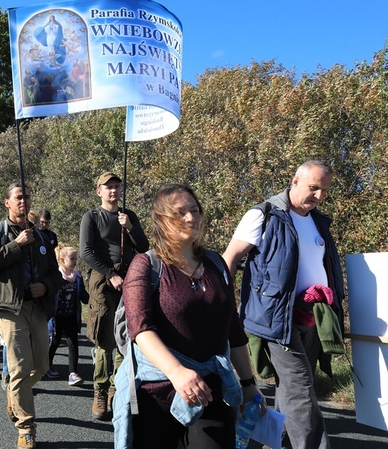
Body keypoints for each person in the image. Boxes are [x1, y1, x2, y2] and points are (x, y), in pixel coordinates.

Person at [115, 184, 263, 448]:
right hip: (158, 395)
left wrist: (248, 383)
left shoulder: (216, 264)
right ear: (161, 220)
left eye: (195, 211)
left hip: (212, 391)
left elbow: (233, 329)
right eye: (180, 212)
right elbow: (140, 329)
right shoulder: (146, 265)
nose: (191, 218)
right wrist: (177, 372)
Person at [223, 160, 343, 449]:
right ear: (295, 180)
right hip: (276, 320)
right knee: (301, 392)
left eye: (324, 190)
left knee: (293, 392)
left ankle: (277, 443)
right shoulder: (264, 214)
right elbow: (231, 257)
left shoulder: (317, 221)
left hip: (313, 317)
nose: (319, 196)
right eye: (314, 188)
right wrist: (222, 304)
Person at [0, 182, 61, 449]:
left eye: (27, 196)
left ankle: (14, 394)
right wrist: (16, 244)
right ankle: (26, 427)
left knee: (42, 366)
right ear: (7, 203)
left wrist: (46, 286)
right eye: (18, 197)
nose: (23, 201)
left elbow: (55, 274)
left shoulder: (41, 236)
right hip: (8, 307)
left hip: (36, 307)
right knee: (19, 367)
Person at [79, 172, 149, 420]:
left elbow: (144, 248)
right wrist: (110, 273)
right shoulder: (92, 217)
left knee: (125, 337)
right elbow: (85, 252)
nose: (114, 191)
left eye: (117, 186)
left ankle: (117, 388)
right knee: (104, 339)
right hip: (103, 279)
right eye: (108, 187)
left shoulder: (127, 216)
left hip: (129, 279)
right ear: (99, 191)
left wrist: (130, 227)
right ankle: (99, 390)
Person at [46, 244, 88, 386]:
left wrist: (95, 299)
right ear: (62, 260)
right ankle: (47, 365)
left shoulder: (77, 276)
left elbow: (83, 296)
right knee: (55, 342)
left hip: (71, 316)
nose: (75, 261)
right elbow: (49, 296)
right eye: (72, 259)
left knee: (73, 343)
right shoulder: (56, 276)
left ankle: (73, 373)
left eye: (76, 258)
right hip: (57, 317)